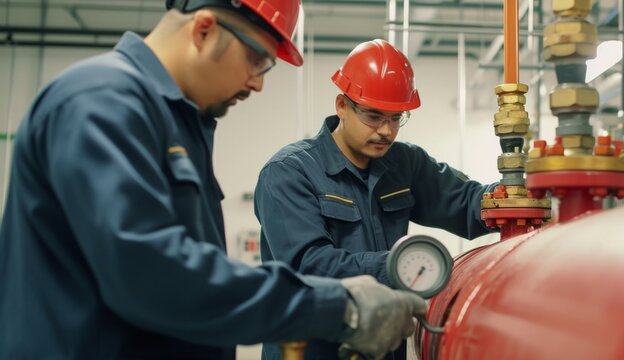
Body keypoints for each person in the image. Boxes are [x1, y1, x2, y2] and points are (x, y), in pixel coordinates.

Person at [0, 1, 425, 359]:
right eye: (256, 61)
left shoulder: (176, 122)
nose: (258, 83)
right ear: (204, 29)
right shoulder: (102, 103)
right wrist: (336, 307)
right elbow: (154, 275)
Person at [254, 39, 497, 359]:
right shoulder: (289, 173)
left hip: (383, 346)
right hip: (313, 348)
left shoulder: (405, 164)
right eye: (373, 116)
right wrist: (398, 267)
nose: (386, 130)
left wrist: (518, 196)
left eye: (396, 118)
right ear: (342, 105)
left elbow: (466, 202)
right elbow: (310, 266)